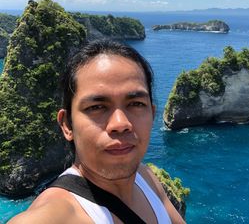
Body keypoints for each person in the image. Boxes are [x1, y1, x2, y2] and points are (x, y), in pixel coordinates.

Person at [9, 40, 185, 224]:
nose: (121, 123)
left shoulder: (146, 178)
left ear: (152, 115)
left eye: (136, 104)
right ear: (67, 125)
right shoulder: (54, 216)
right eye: (97, 107)